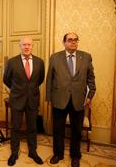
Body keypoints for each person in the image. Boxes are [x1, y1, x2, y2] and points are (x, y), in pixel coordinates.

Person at [46, 32, 96, 167]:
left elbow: (91, 79)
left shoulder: (86, 57)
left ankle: (75, 156)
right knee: (58, 130)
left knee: (76, 131)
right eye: (70, 40)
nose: (73, 42)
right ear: (64, 43)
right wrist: (49, 98)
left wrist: (90, 96)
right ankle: (58, 154)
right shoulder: (55, 57)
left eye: (75, 40)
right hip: (59, 99)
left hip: (78, 100)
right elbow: (49, 79)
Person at [3, 36, 45, 166]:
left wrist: (29, 89)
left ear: (32, 46)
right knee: (15, 127)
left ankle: (33, 151)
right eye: (24, 44)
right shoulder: (12, 62)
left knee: (32, 127)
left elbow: (40, 79)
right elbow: (6, 79)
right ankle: (14, 152)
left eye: (29, 45)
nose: (26, 47)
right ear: (20, 46)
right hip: (17, 100)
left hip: (33, 99)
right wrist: (18, 89)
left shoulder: (39, 62)